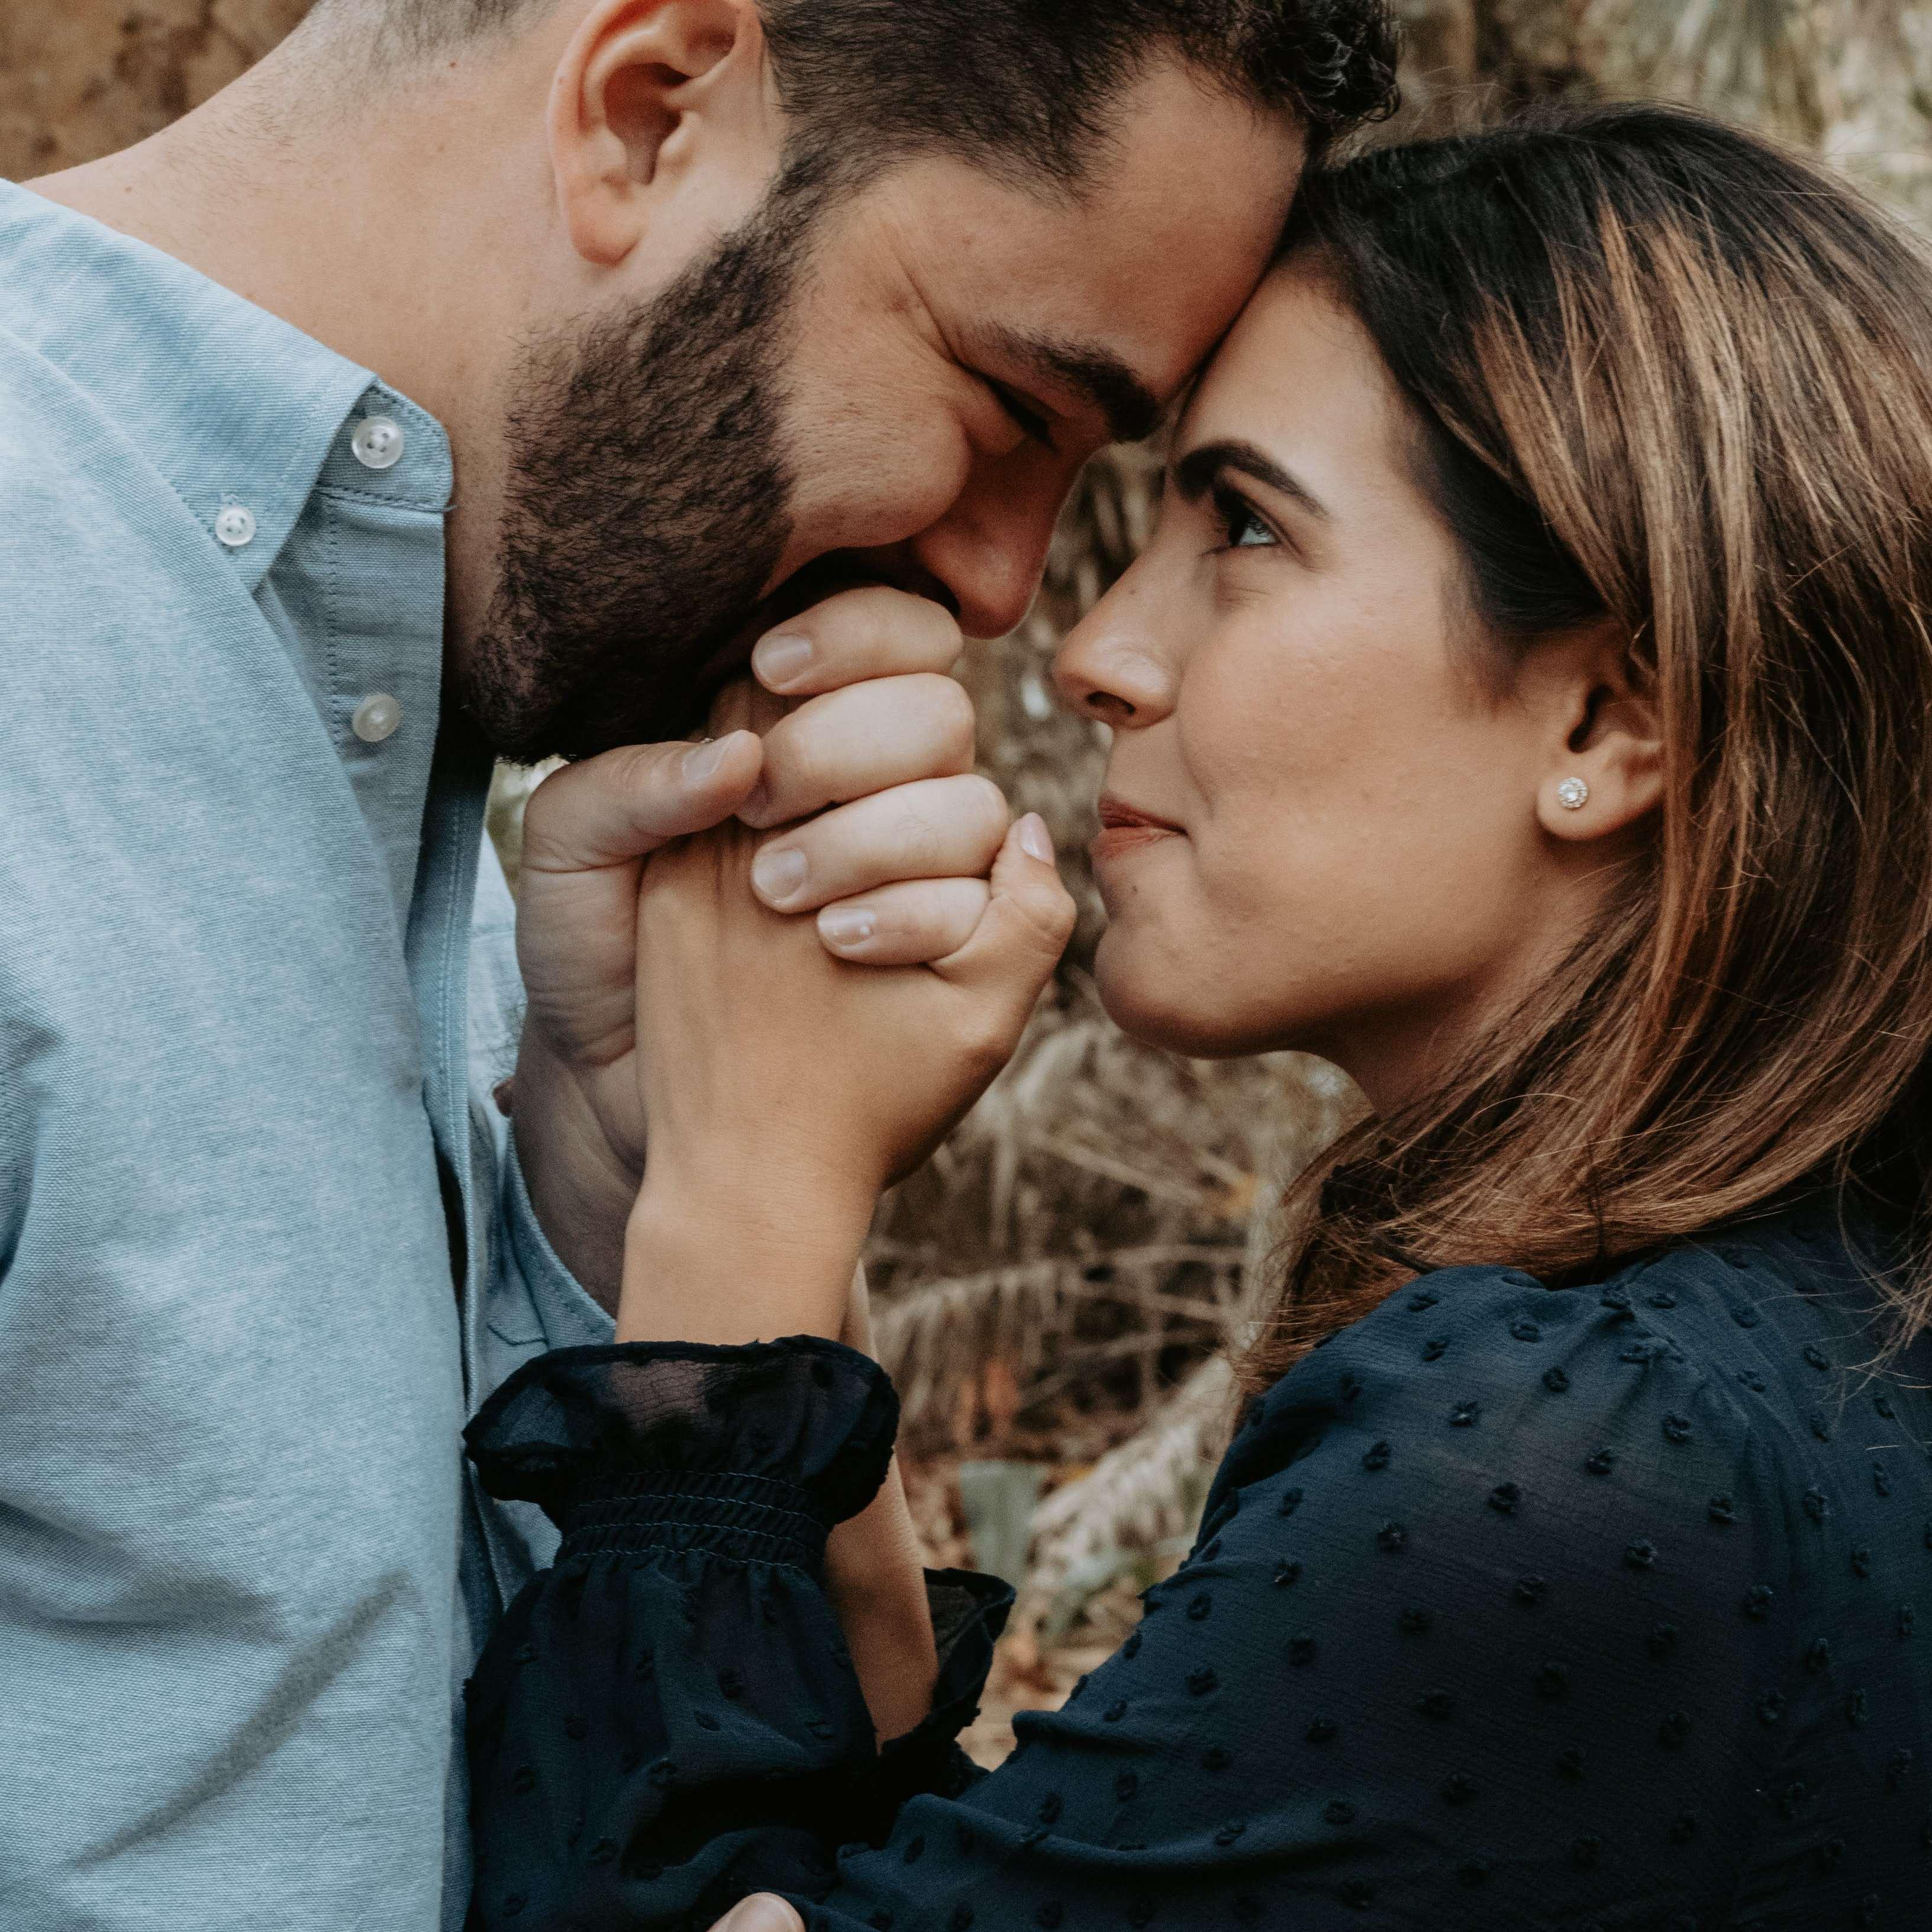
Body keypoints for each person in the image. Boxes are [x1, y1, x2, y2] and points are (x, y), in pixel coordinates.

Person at [0, 0, 1402, 1925]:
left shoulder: (443, 745)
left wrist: (601, 1198)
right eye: (1010, 408)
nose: (1004, 588)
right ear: (648, 110)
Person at [463, 104, 1932, 1930]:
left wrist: (749, 1186)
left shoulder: (1568, 1460)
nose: (1093, 651)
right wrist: (714, 1176)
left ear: (1604, 720)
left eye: (1242, 524)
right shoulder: (1812, 1340)